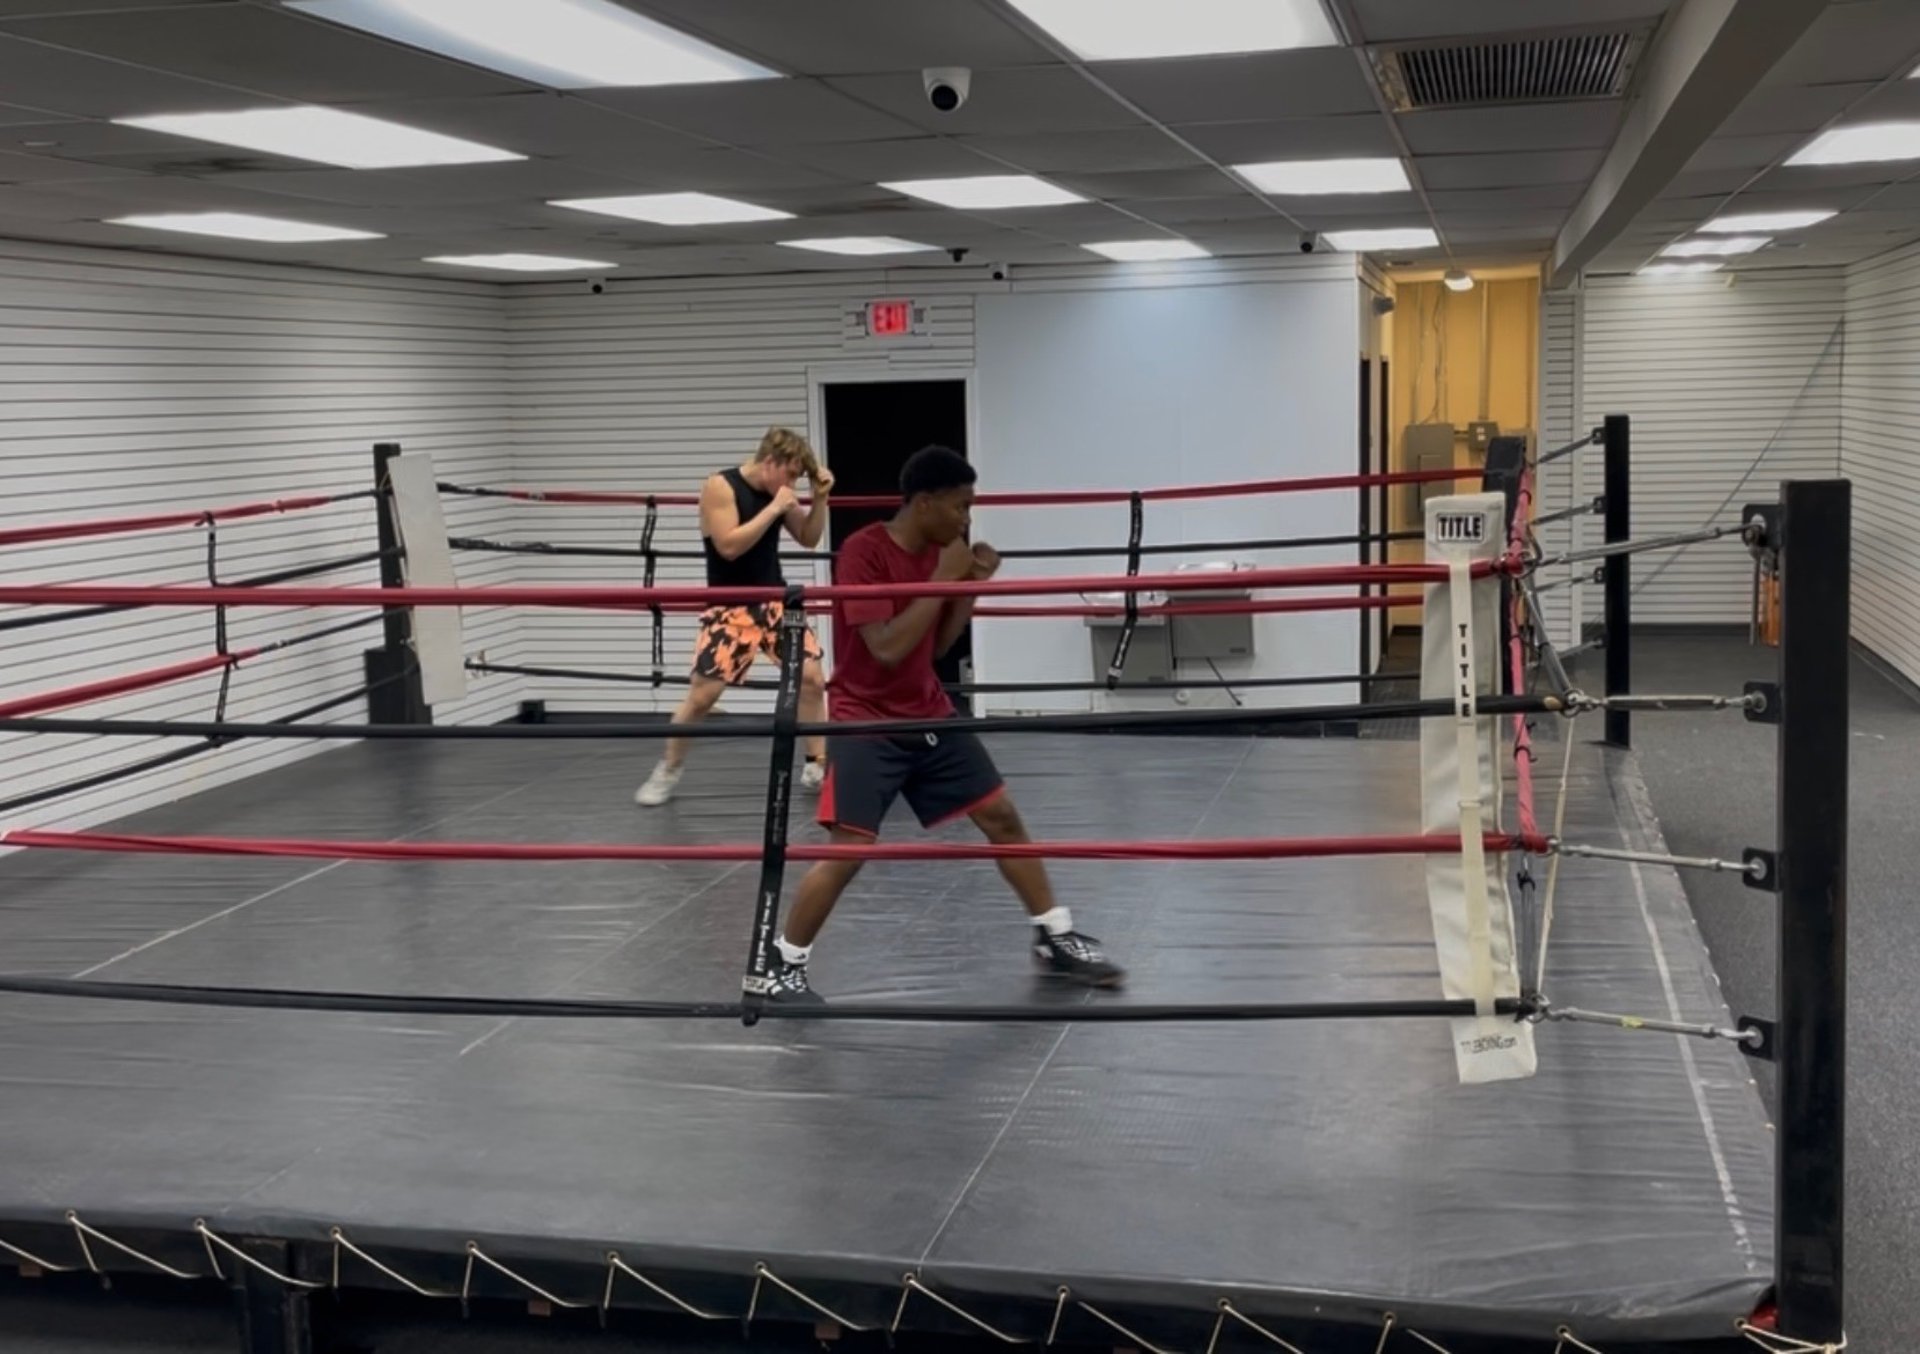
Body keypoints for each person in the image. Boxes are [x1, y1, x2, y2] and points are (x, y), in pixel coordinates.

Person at [764, 444, 1124, 1002]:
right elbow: (884, 648)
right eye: (960, 507)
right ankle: (779, 967)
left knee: (1002, 817)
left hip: (926, 707)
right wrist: (944, 579)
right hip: (866, 717)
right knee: (850, 848)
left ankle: (1054, 936)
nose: (966, 520)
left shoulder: (940, 556)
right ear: (926, 503)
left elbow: (936, 646)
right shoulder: (863, 553)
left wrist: (969, 585)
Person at [636, 428, 833, 807]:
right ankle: (669, 768)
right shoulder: (720, 486)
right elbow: (728, 546)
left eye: (797, 478)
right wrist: (775, 508)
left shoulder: (780, 492)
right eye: (790, 474)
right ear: (770, 462)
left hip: (774, 600)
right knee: (702, 697)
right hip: (730, 606)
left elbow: (809, 538)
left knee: (811, 679)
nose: (792, 483)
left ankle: (816, 763)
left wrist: (820, 500)